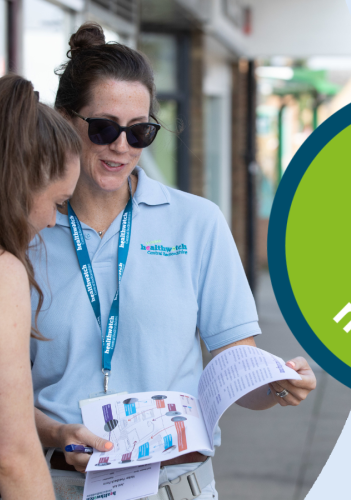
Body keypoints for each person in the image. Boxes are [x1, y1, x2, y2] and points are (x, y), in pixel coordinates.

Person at [29, 23, 317, 499]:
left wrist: (277, 387)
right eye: (103, 128)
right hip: (59, 485)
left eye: (140, 131)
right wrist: (55, 434)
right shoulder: (27, 232)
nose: (122, 146)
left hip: (174, 486)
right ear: (65, 120)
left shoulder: (196, 222)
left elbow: (233, 370)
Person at [0, 75, 81, 499]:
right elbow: (12, 456)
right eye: (57, 202)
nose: (52, 221)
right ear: (17, 185)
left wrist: (56, 430)